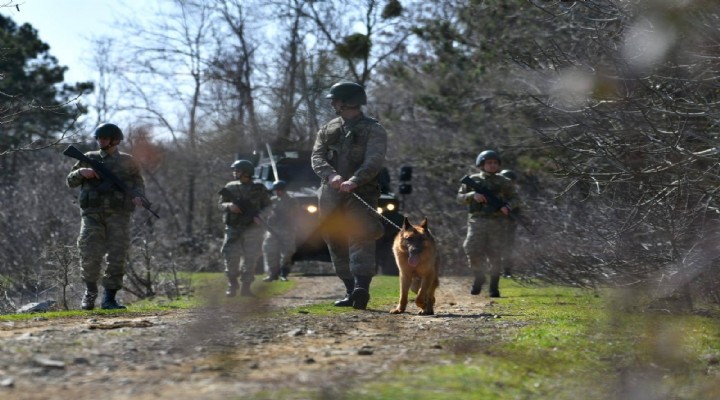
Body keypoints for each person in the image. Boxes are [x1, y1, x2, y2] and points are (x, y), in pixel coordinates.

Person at [311, 81, 387, 310]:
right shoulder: (328, 128)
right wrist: (332, 176)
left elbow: (374, 160)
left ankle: (361, 288)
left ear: (347, 102)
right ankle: (349, 290)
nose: (332, 103)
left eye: (335, 99)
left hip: (361, 193)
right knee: (334, 239)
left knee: (361, 236)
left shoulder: (374, 129)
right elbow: (317, 157)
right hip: (330, 194)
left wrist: (355, 181)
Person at [66, 123, 145, 310]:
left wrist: (138, 197)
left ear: (115, 140)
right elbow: (70, 181)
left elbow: (138, 184)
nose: (100, 141)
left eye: (104, 138)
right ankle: (90, 294)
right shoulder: (88, 158)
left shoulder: (128, 161)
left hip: (120, 216)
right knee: (89, 253)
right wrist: (80, 172)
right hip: (92, 215)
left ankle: (109, 299)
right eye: (99, 138)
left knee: (117, 256)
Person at [457, 150, 519, 298]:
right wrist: (473, 195)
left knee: (495, 254)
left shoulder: (505, 182)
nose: (492, 165)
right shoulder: (473, 180)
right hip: (477, 221)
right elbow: (459, 198)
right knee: (471, 248)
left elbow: (516, 198)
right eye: (489, 163)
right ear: (482, 164)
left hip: (497, 222)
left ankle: (494, 286)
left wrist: (508, 207)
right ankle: (479, 276)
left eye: (495, 163)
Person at [218, 159, 271, 297]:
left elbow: (268, 205)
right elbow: (220, 204)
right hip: (233, 228)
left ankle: (246, 287)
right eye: (235, 170)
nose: (235, 173)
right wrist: (229, 206)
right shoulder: (230, 187)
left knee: (250, 258)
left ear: (246, 172)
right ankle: (232, 284)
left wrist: (261, 216)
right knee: (230, 257)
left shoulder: (259, 188)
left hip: (252, 229)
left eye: (238, 170)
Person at [262, 180, 298, 282]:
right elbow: (265, 212)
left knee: (287, 253)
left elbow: (294, 213)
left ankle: (284, 273)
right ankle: (272, 274)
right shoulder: (272, 200)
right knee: (269, 251)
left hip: (287, 229)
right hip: (272, 229)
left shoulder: (291, 201)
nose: (278, 192)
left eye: (280, 190)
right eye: (276, 190)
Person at [498, 169, 519, 278]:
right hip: (494, 224)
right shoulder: (496, 194)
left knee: (508, 248)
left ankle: (507, 271)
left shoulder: (513, 195)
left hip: (509, 224)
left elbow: (519, 207)